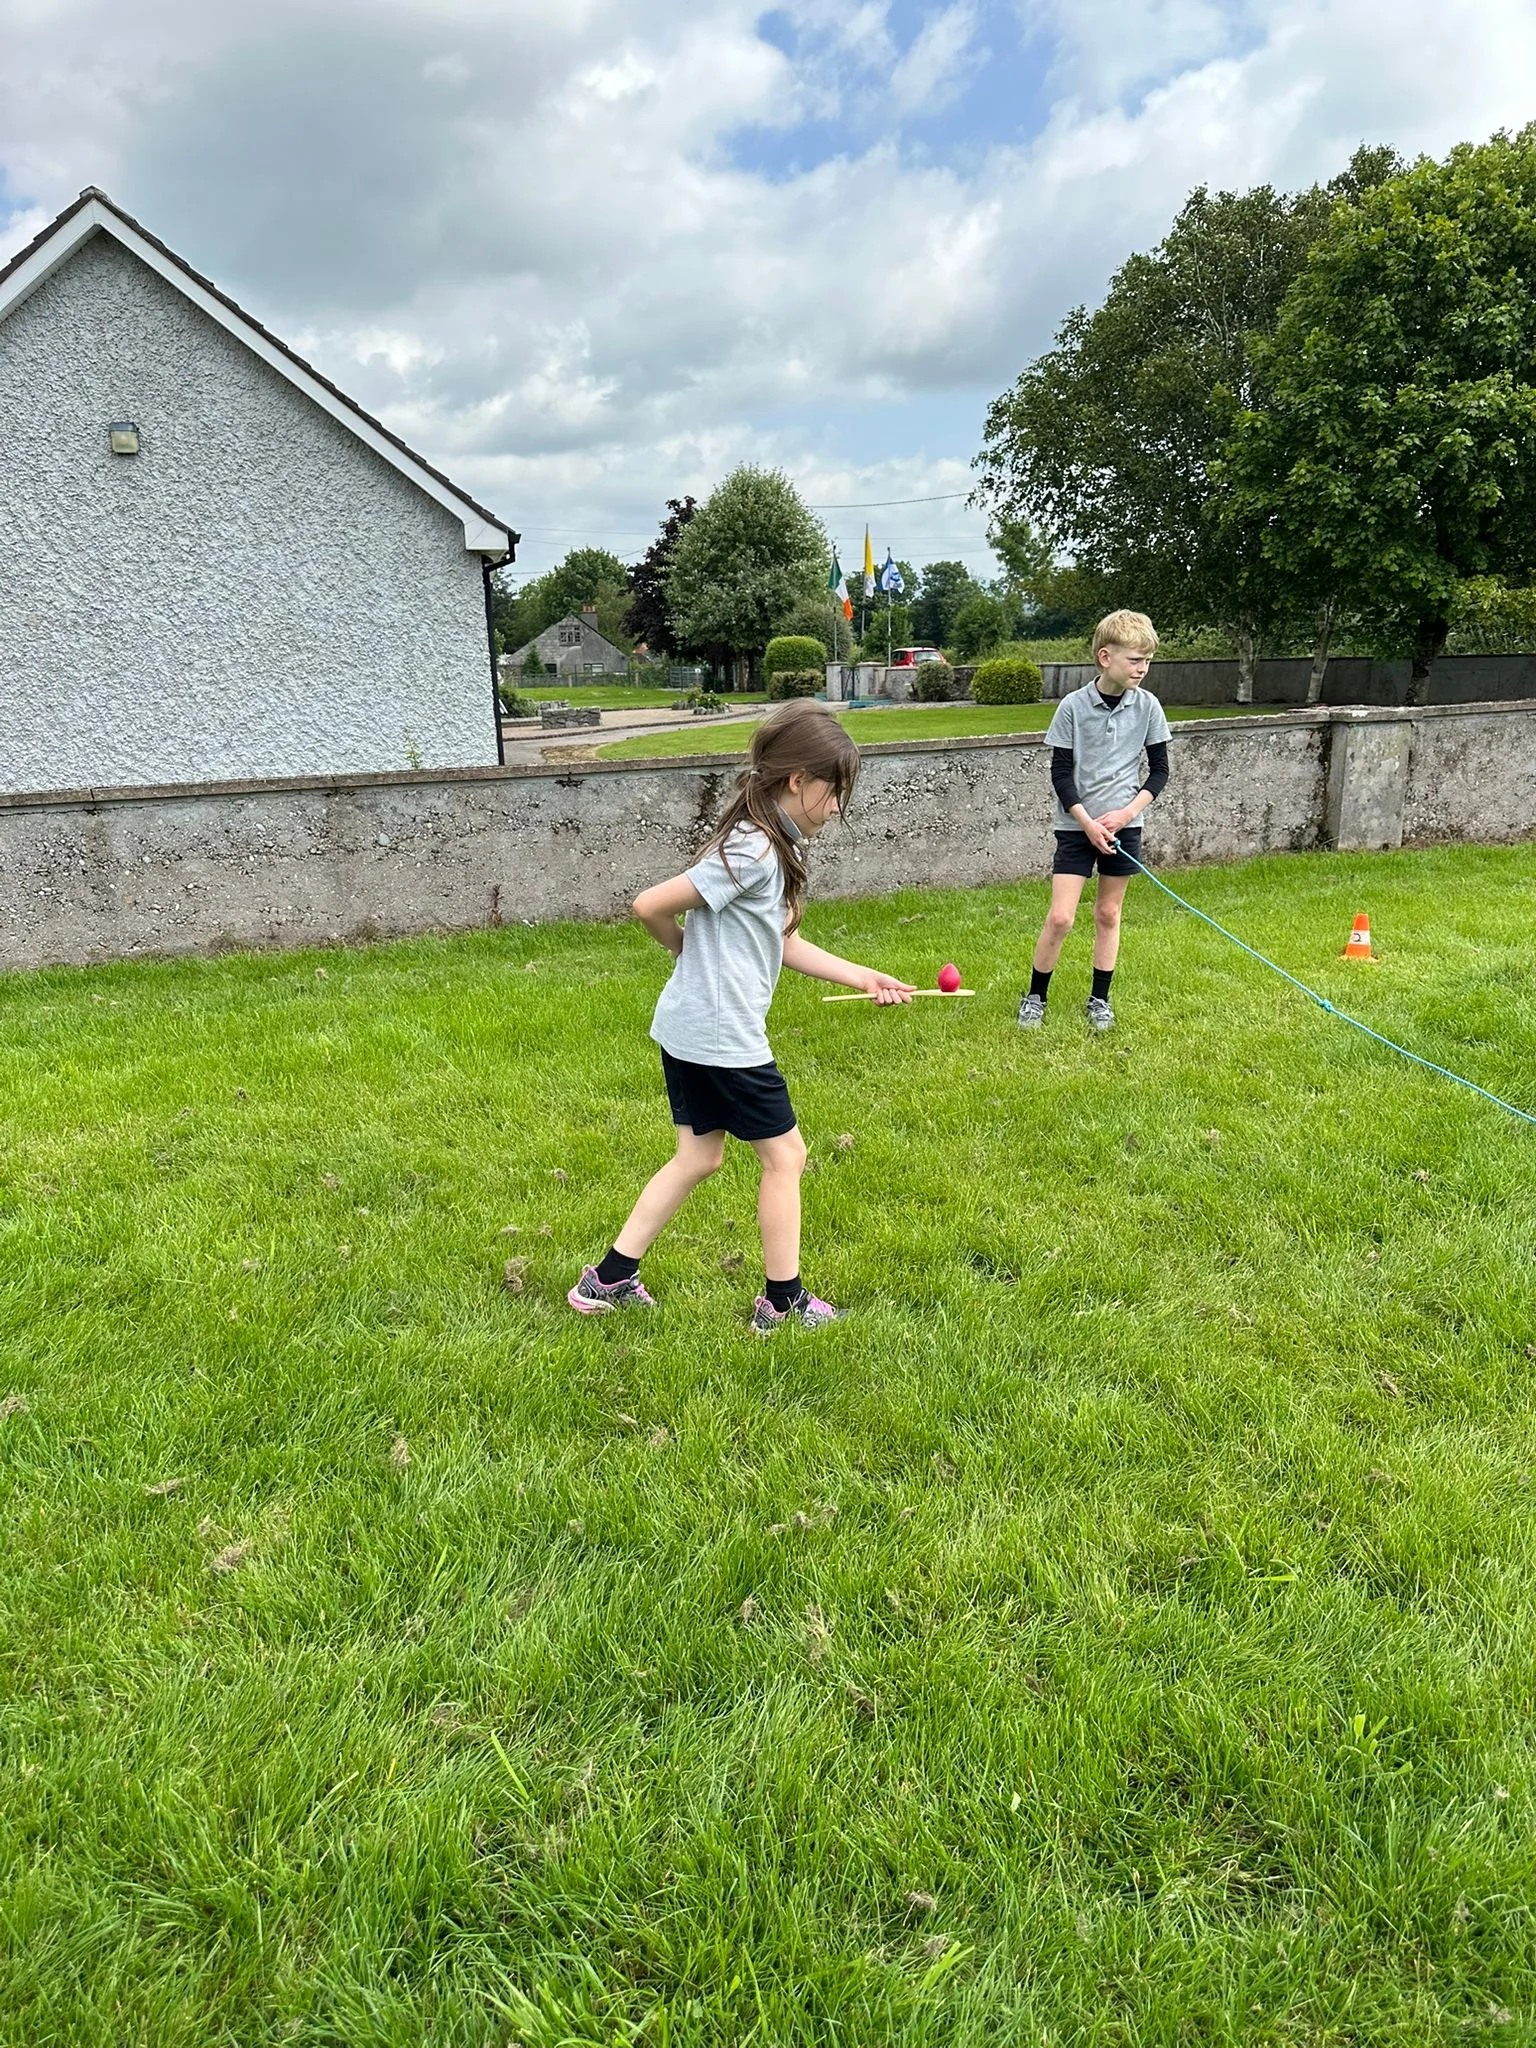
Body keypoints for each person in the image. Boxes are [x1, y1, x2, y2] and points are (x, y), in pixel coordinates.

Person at [569, 699, 916, 1332]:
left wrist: (864, 976)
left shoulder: (764, 844)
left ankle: (609, 1279)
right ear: (797, 781)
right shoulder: (755, 850)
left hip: (689, 1029)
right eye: (834, 792)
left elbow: (780, 941)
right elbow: (648, 904)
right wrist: (682, 946)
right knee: (786, 1158)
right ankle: (782, 1303)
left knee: (698, 1158)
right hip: (722, 1036)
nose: (837, 807)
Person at [1017, 609, 1170, 1033]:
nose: (1142, 668)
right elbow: (1060, 774)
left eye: (1147, 661)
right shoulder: (1072, 707)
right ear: (1105, 657)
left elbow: (1159, 771)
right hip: (1076, 828)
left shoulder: (1148, 706)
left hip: (1124, 829)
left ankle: (1099, 1000)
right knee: (1061, 917)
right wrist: (1086, 822)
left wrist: (1126, 814)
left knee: (1108, 913)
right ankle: (1035, 996)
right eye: (1135, 660)